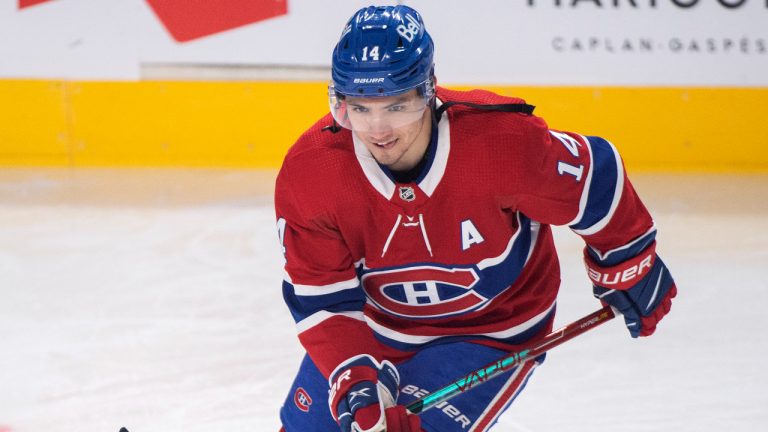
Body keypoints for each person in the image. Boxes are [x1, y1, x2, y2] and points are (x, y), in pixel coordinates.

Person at [274, 4, 677, 432]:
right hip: (377, 325)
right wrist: (354, 379)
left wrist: (628, 258)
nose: (379, 130)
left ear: (428, 90)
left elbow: (595, 176)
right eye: (360, 108)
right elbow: (322, 297)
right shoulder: (312, 173)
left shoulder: (499, 146)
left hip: (491, 330)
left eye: (397, 106)